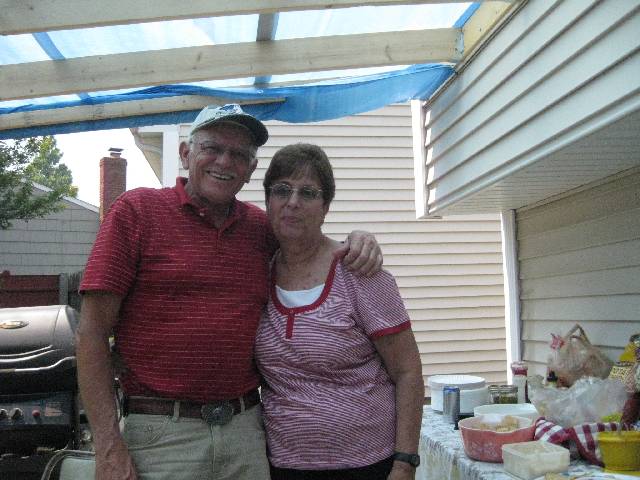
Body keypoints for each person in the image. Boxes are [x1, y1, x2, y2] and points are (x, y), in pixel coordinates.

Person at [76, 104, 383, 480]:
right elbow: (91, 333)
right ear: (186, 154)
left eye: (238, 154)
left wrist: (358, 239)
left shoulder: (260, 229)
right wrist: (108, 447)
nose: (224, 161)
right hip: (161, 437)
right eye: (212, 148)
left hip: (245, 432)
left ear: (251, 169)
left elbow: (309, 243)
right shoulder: (137, 212)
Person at [255, 143, 424, 480]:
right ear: (268, 201)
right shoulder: (256, 270)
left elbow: (408, 371)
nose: (292, 202)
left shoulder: (359, 273)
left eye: (308, 193)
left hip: (367, 464)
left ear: (325, 207)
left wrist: (405, 462)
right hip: (284, 466)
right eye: (282, 190)